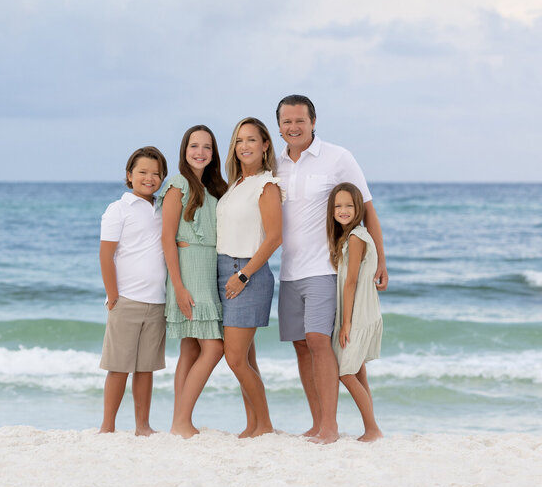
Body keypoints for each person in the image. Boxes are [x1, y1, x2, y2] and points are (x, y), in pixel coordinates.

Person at [275, 94, 387, 444]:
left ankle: (331, 427)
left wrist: (381, 260)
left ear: (313, 122)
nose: (294, 127)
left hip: (325, 268)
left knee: (320, 343)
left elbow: (367, 210)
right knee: (301, 346)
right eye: (287, 121)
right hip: (288, 272)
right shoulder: (274, 164)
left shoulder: (338, 157)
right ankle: (318, 422)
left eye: (300, 121)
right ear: (279, 126)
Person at [215, 117, 282, 438]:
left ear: (266, 144)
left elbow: (274, 237)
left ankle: (265, 424)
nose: (245, 146)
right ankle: (252, 424)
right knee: (247, 358)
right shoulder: (235, 186)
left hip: (247, 275)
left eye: (252, 140)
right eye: (239, 140)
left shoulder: (267, 185)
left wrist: (242, 275)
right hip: (225, 270)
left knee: (235, 358)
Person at [160, 125, 228, 438]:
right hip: (187, 272)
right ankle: (182, 420)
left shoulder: (216, 189)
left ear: (213, 154)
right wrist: (179, 287)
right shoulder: (177, 185)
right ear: (184, 151)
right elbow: (167, 239)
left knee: (190, 350)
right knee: (213, 348)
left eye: (206, 147)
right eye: (193, 146)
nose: (199, 152)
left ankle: (179, 422)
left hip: (209, 269)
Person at [99, 145, 169, 435]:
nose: (149, 178)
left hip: (157, 301)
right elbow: (106, 255)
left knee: (146, 368)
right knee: (119, 367)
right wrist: (114, 297)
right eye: (142, 172)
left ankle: (143, 426)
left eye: (156, 173)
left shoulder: (163, 208)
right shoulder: (118, 209)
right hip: (126, 300)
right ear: (129, 175)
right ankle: (107, 426)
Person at [327, 182, 384, 441]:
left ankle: (373, 429)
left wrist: (346, 323)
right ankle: (370, 427)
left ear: (359, 208)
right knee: (358, 372)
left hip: (358, 315)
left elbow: (351, 282)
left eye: (349, 205)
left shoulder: (356, 237)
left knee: (345, 372)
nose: (343, 210)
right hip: (362, 312)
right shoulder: (350, 237)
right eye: (338, 206)